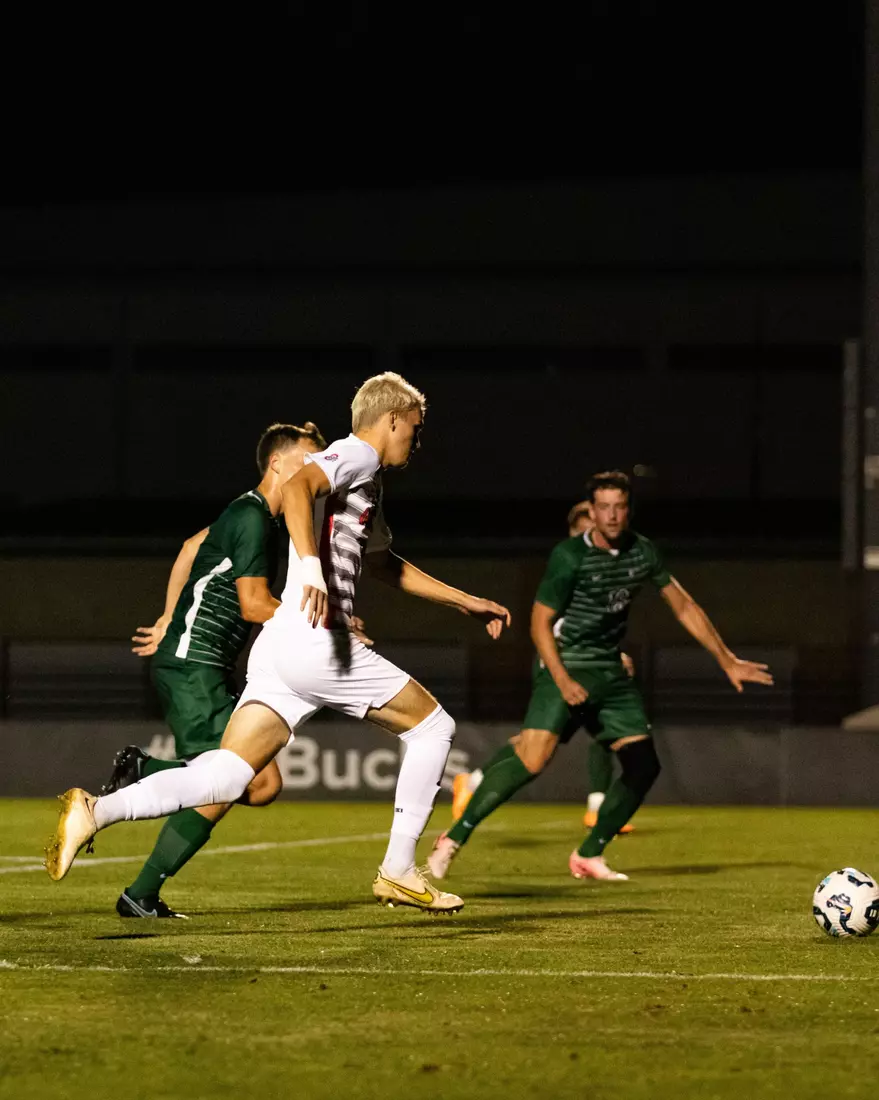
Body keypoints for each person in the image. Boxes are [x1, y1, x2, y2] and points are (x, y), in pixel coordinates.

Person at [46, 372, 512, 914]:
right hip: (318, 640)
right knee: (435, 726)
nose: (418, 437)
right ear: (390, 420)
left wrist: (464, 601)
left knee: (230, 774)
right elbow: (295, 486)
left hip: (280, 646)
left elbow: (384, 564)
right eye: (415, 426)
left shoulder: (367, 482)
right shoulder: (356, 454)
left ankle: (96, 811)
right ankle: (400, 869)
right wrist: (312, 571)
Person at [428, 470, 773, 883]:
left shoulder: (642, 552)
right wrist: (561, 678)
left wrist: (727, 659)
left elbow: (683, 606)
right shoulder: (569, 556)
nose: (611, 515)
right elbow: (539, 624)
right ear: (592, 511)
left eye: (619, 507)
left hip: (609, 668)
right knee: (534, 757)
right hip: (566, 662)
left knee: (644, 765)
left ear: (628, 510)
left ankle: (589, 854)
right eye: (604, 507)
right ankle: (452, 839)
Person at [103, 422, 326, 918]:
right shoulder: (250, 517)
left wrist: (168, 616)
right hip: (194, 667)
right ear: (278, 464)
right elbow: (253, 605)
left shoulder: (260, 519)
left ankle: (144, 774)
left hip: (208, 667)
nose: (318, 473)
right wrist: (321, 620)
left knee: (259, 785)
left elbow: (190, 547)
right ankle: (140, 893)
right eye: (310, 460)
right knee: (234, 784)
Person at [450, 498, 634, 834]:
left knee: (595, 729)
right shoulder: (567, 566)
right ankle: (596, 808)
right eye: (584, 529)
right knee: (547, 741)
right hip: (558, 663)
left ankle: (595, 807)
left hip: (583, 662)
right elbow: (559, 625)